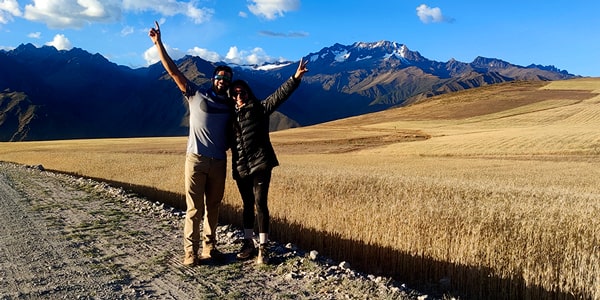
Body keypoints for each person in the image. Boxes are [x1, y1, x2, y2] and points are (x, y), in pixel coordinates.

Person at [149, 21, 232, 266]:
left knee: (214, 208)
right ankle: (190, 252)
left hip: (219, 161)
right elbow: (173, 71)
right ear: (213, 78)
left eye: (226, 79)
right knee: (194, 209)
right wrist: (158, 44)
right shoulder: (196, 93)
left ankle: (210, 248)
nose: (222, 81)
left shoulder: (230, 103)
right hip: (196, 158)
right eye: (219, 77)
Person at [229, 58, 309, 264]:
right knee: (247, 205)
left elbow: (279, 96)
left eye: (242, 92)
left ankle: (263, 247)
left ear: (248, 93)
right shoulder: (228, 117)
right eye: (235, 93)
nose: (239, 96)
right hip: (241, 168)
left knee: (260, 203)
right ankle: (248, 243)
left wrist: (295, 78)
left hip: (261, 164)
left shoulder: (260, 108)